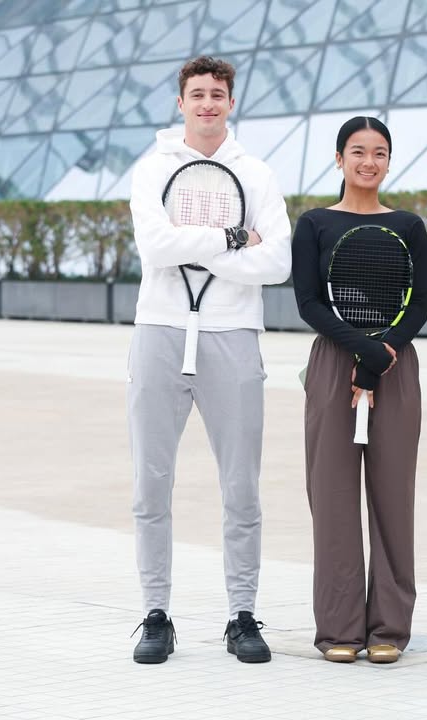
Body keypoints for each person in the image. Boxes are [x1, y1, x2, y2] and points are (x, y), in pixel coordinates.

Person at [126, 55, 292, 664]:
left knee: (241, 487)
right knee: (150, 484)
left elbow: (277, 262)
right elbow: (154, 246)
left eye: (217, 94)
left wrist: (189, 248)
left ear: (231, 102)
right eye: (197, 94)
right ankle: (156, 615)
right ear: (181, 103)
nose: (207, 104)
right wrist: (232, 239)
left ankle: (242, 616)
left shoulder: (257, 174)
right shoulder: (153, 167)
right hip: (159, 331)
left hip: (233, 335)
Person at [291, 116, 427, 664]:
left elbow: (417, 304)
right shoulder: (315, 223)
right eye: (358, 151)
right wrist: (362, 352)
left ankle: (389, 627)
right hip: (334, 365)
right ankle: (339, 629)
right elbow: (309, 302)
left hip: (395, 365)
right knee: (331, 499)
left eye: (379, 153)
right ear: (339, 158)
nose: (368, 162)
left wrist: (380, 355)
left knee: (393, 499)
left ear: (389, 161)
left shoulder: (409, 226)